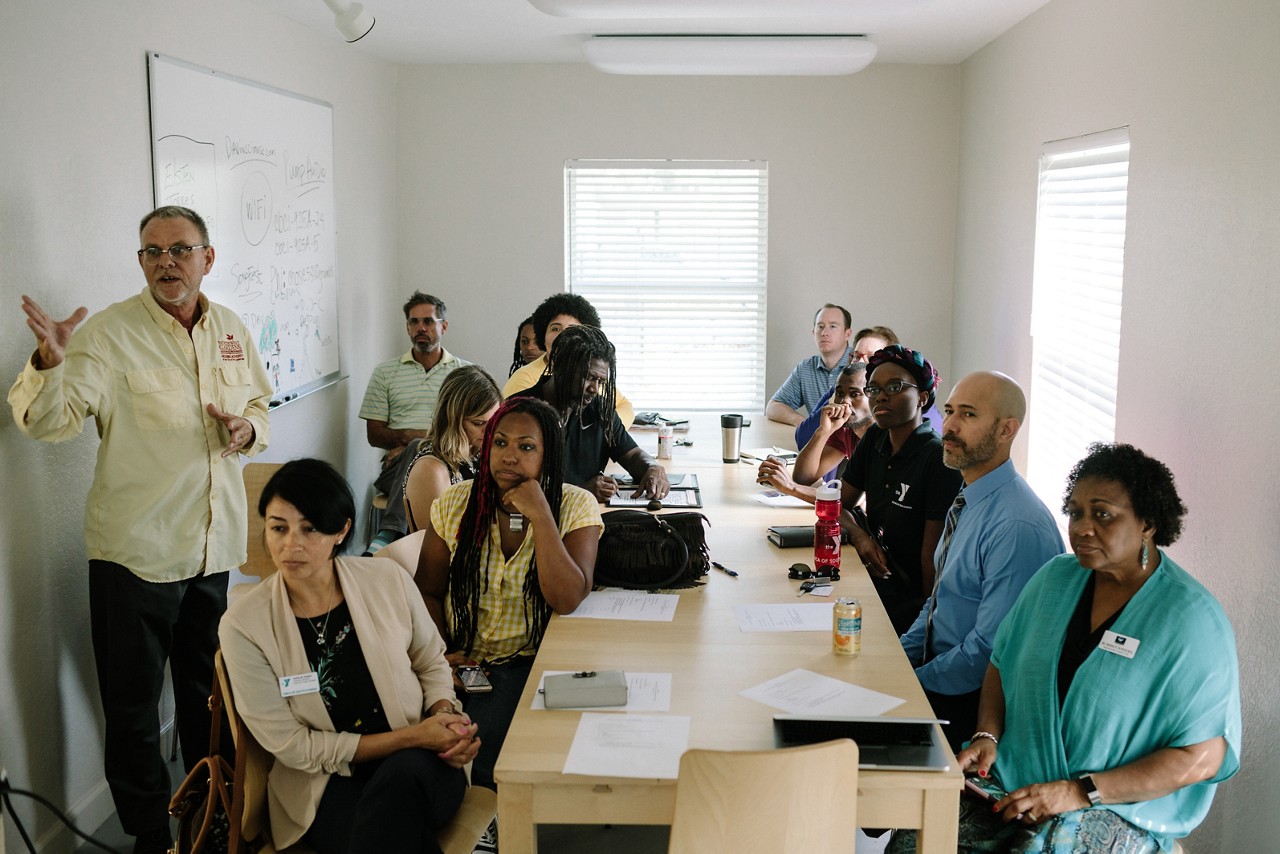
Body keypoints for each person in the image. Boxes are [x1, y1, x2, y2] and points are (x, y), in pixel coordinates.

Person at [7, 205, 272, 854]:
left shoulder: (230, 330)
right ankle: (149, 837)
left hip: (213, 550)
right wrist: (49, 362)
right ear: (140, 262)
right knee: (130, 714)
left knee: (208, 701)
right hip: (135, 558)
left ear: (208, 258)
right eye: (152, 252)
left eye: (180, 250)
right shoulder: (107, 335)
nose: (166, 263)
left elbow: (260, 404)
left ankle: (211, 819)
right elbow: (51, 423)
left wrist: (247, 429)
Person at [889, 444, 1241, 853]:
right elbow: (1001, 662)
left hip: (1111, 803)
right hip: (1014, 780)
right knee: (919, 836)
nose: (1083, 527)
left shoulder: (1191, 619)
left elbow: (1205, 754)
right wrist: (987, 734)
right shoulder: (1053, 579)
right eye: (1076, 513)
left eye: (1103, 514)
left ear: (1148, 522)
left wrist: (1079, 792)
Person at [218, 459, 479, 854]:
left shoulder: (386, 580)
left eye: (310, 528)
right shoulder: (244, 626)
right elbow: (291, 747)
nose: (291, 544)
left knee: (397, 784)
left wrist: (443, 713)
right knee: (389, 826)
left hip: (419, 763)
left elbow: (430, 661)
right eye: (278, 528)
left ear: (341, 529)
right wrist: (412, 736)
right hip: (323, 783)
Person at [417, 397, 603, 789]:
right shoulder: (454, 503)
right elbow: (428, 592)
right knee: (430, 751)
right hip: (457, 658)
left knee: (484, 761)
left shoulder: (575, 505)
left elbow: (567, 598)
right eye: (499, 443)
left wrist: (541, 515)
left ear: (548, 454)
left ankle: (489, 826)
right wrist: (440, 657)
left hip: (527, 662)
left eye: (526, 446)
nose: (509, 457)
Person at [898, 372, 1063, 751]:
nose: (950, 426)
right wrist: (898, 661)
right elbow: (940, 600)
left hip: (974, 706)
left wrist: (913, 683)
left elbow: (988, 651)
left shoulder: (1016, 525)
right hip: (939, 675)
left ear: (1007, 430)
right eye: (951, 411)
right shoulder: (971, 496)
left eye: (969, 415)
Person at [839, 345, 962, 634]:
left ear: (922, 397)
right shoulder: (875, 439)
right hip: (874, 575)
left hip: (911, 598)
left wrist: (927, 627)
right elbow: (836, 504)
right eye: (874, 389)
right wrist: (860, 536)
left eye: (895, 387)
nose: (881, 396)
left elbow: (930, 556)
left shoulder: (938, 458)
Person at [360, 292, 471, 550]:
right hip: (395, 469)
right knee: (417, 448)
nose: (421, 328)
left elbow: (472, 431)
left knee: (418, 446)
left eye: (428, 321)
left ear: (443, 326)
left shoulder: (464, 373)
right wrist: (414, 441)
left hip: (453, 467)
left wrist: (414, 440)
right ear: (407, 327)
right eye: (414, 322)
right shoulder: (385, 372)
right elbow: (374, 434)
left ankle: (388, 535)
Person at [515, 324, 669, 502]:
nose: (595, 389)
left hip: (586, 520)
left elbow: (632, 454)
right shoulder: (519, 413)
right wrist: (580, 493)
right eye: (588, 377)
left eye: (600, 381)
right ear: (561, 367)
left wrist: (653, 467)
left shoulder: (599, 410)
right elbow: (513, 488)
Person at [502, 293, 635, 428]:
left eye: (573, 329)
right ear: (543, 335)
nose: (564, 335)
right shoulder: (524, 377)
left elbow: (624, 405)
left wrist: (606, 430)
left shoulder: (595, 373)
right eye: (556, 328)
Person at [403, 365, 501, 533]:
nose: (489, 431)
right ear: (451, 419)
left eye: (493, 422)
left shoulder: (477, 453)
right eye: (478, 423)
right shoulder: (431, 469)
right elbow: (435, 545)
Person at [756, 361, 872, 503]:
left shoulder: (883, 437)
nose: (844, 402)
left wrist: (791, 488)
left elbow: (850, 500)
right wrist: (823, 431)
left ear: (874, 396)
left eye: (855, 394)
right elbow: (804, 478)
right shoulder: (845, 431)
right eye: (840, 393)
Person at [795, 324, 902, 449]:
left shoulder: (903, 408)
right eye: (856, 356)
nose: (860, 363)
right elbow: (803, 440)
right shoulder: (841, 393)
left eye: (872, 357)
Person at [765, 304, 854, 427]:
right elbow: (773, 407)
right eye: (820, 326)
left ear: (847, 334)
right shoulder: (805, 369)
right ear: (813, 333)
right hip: (819, 442)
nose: (824, 332)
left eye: (833, 326)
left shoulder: (859, 364)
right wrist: (803, 423)